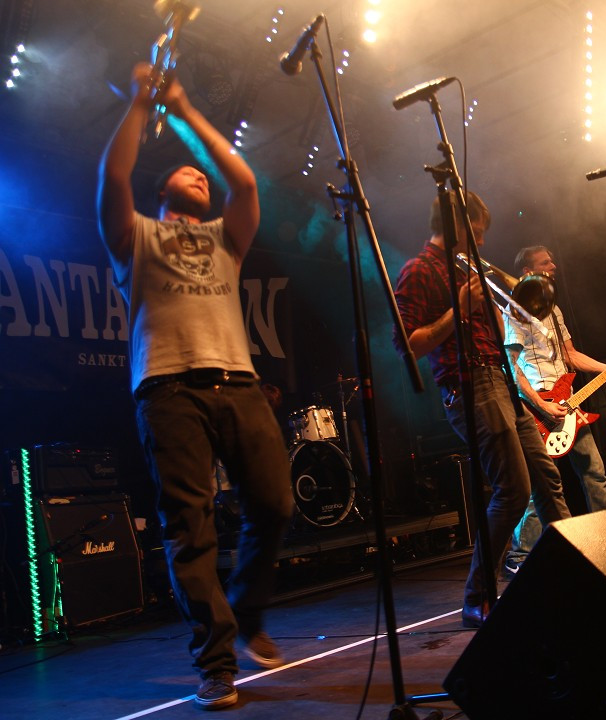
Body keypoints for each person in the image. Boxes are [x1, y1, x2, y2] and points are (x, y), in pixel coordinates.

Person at [97, 63, 293, 709]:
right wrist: (139, 104)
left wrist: (181, 108)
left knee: (274, 505)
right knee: (191, 529)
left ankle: (246, 608)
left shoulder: (226, 241)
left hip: (239, 384)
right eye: (186, 170)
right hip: (168, 390)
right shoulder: (137, 238)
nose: (200, 175)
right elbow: (114, 178)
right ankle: (216, 663)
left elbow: (241, 177)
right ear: (164, 194)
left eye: (200, 173)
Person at [393, 192, 570, 628]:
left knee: (547, 482)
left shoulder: (463, 269)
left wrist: (500, 308)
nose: (483, 241)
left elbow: (494, 336)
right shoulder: (418, 270)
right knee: (512, 491)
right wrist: (459, 310)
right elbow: (407, 345)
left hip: (502, 381)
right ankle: (478, 595)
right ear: (456, 224)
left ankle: (576, 573)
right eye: (478, 230)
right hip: (470, 387)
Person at [502, 246, 606, 573]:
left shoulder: (555, 310)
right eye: (546, 263)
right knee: (541, 486)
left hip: (568, 402)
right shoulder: (514, 311)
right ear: (528, 273)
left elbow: (570, 355)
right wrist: (541, 403)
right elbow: (511, 367)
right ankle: (520, 558)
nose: (554, 266)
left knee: (594, 471)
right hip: (539, 404)